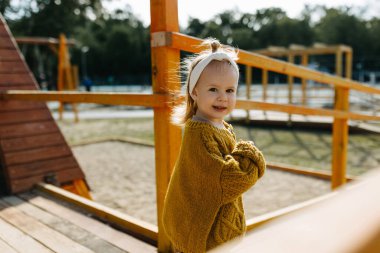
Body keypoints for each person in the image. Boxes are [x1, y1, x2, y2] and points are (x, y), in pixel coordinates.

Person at [162, 39, 266, 253]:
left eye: (230, 90)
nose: (222, 97)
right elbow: (227, 180)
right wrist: (250, 153)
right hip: (205, 234)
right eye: (213, 89)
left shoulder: (220, 126)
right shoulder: (199, 133)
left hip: (218, 223)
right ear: (194, 92)